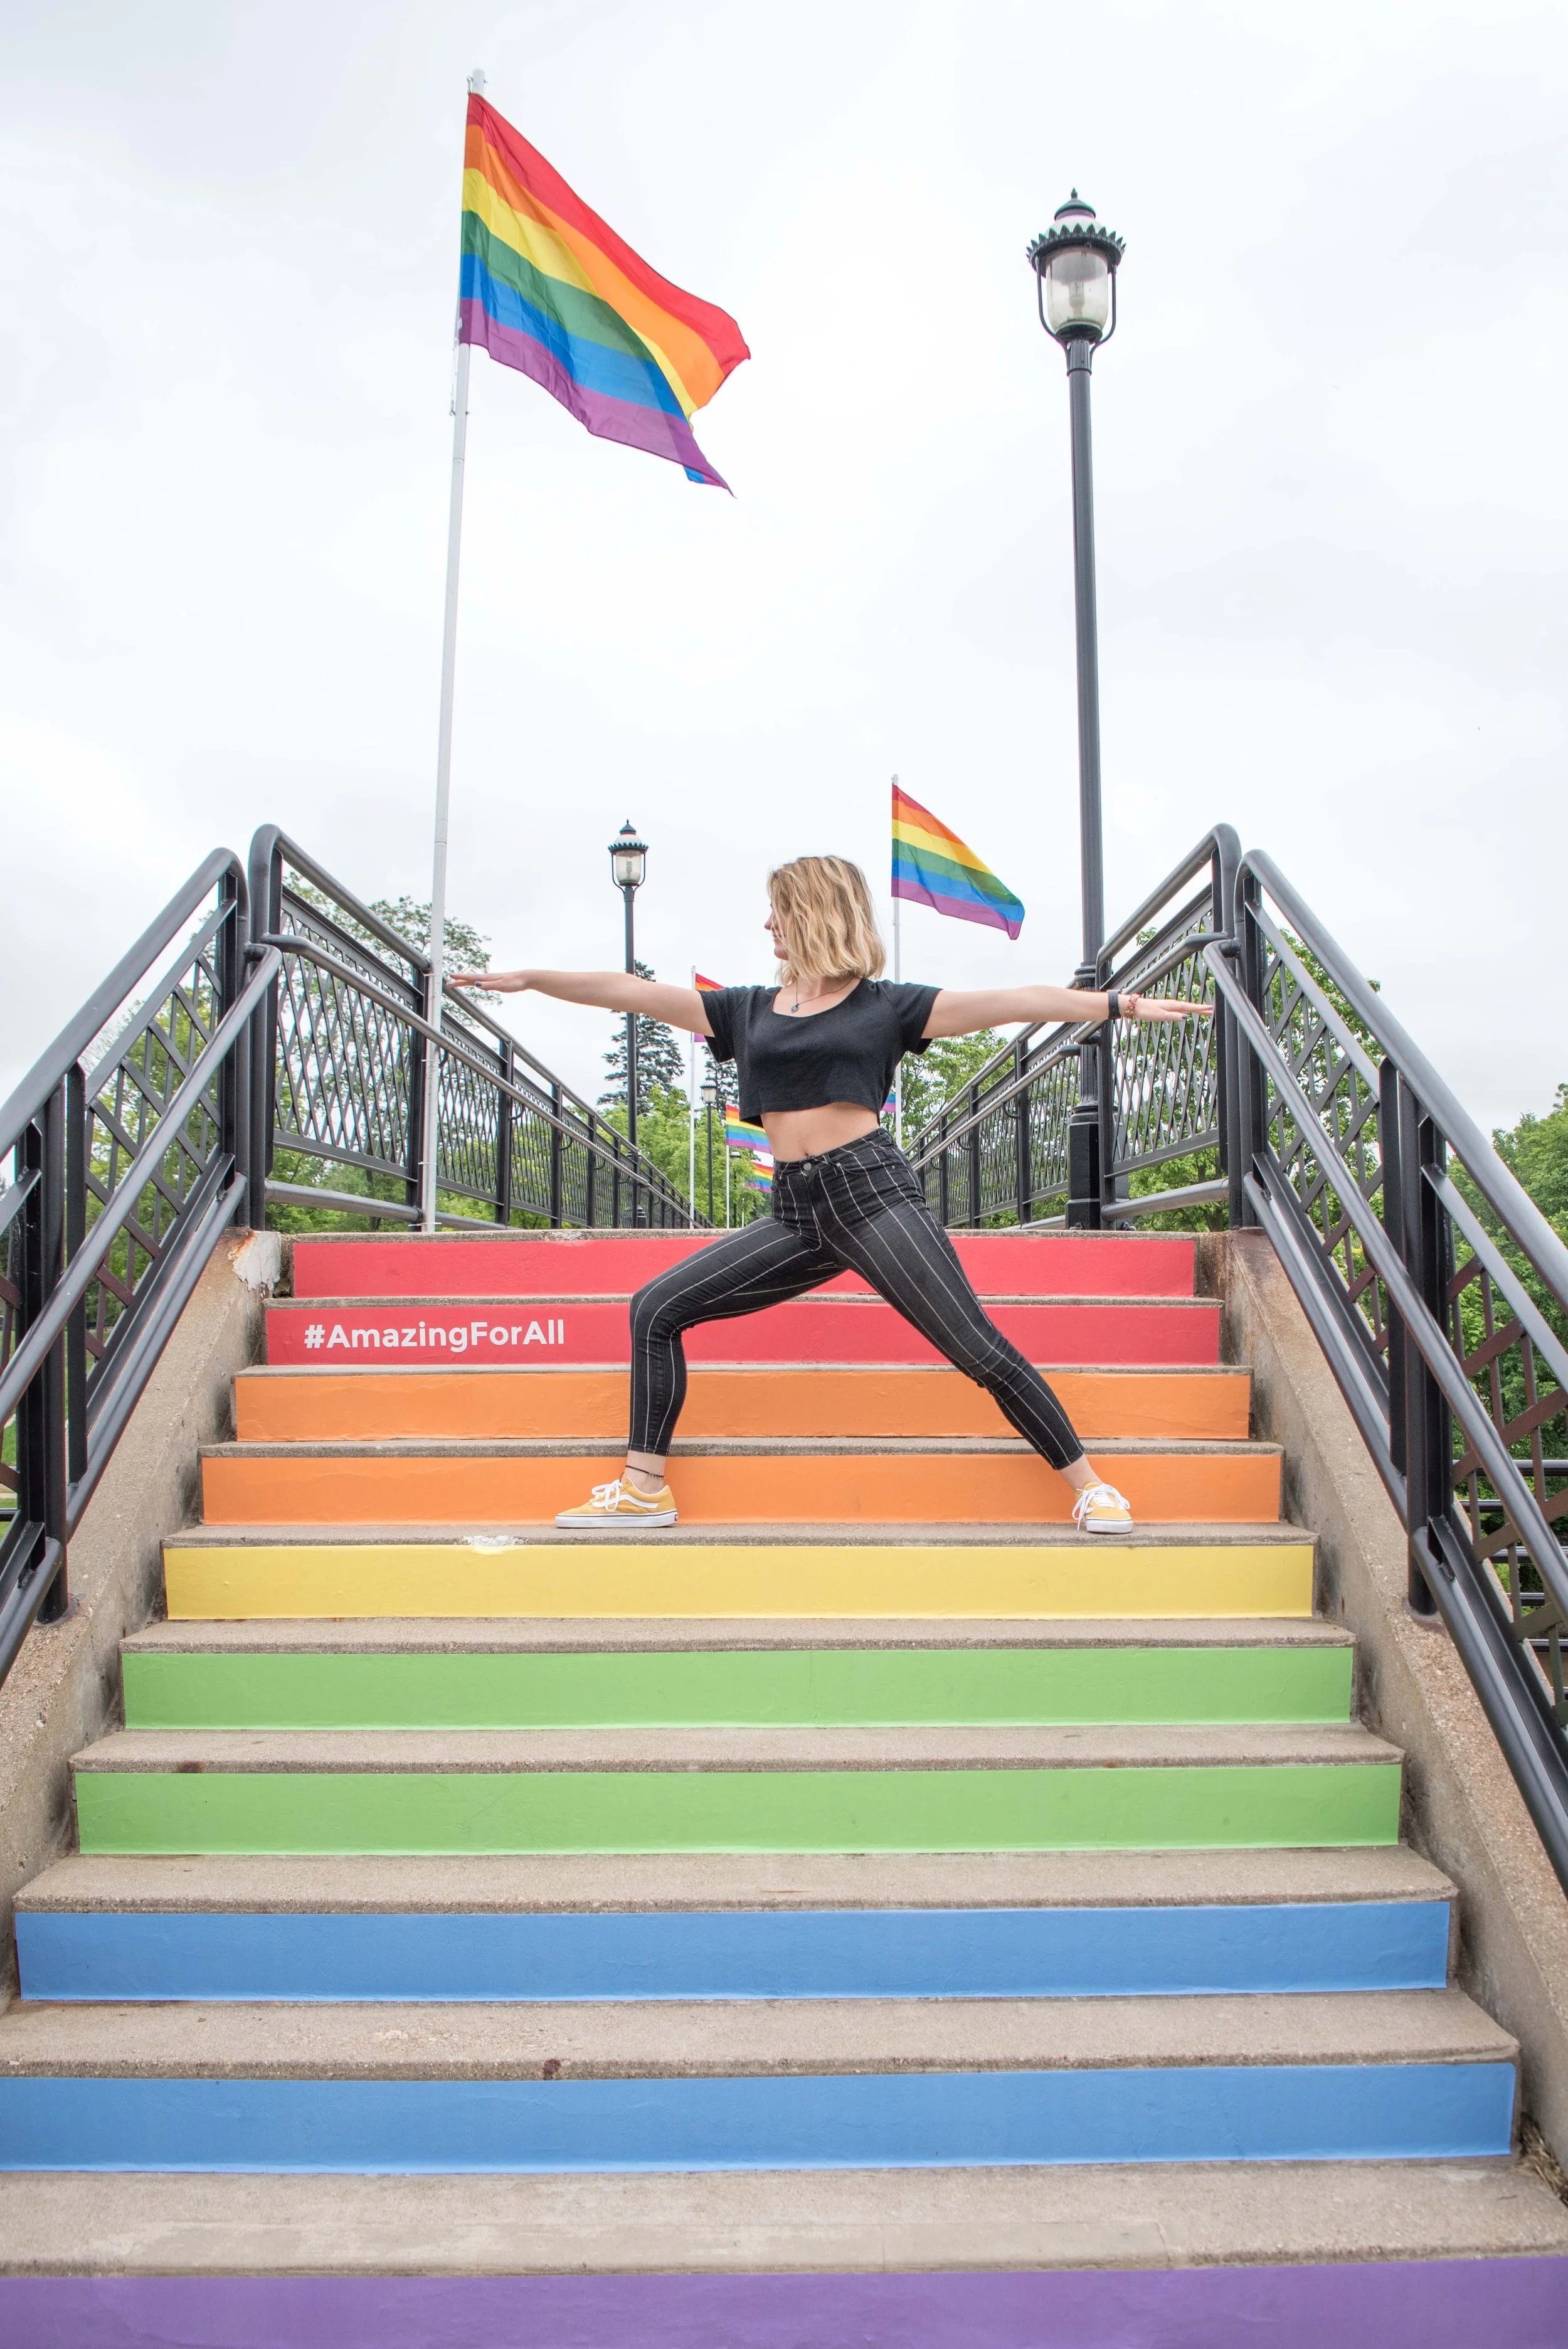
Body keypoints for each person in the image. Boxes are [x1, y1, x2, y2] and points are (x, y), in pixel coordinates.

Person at [452, 854, 1210, 1537]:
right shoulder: (746, 1010)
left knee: (976, 1347)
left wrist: (1120, 1007)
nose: (768, 924)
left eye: (779, 909)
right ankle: (643, 1488)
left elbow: (1013, 1001)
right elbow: (634, 993)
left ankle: (1091, 1486)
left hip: (874, 1197)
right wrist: (532, 979)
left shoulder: (887, 1007)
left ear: (815, 911)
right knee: (656, 1307)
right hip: (795, 1209)